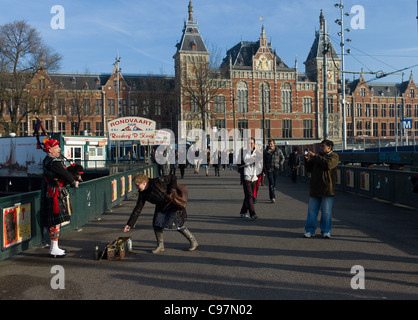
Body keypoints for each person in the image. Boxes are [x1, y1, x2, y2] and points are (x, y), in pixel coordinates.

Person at [123, 173, 198, 253]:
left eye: (137, 185)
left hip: (172, 203)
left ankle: (193, 241)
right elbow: (138, 209)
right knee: (156, 224)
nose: (136, 187)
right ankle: (160, 245)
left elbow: (173, 177)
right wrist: (130, 224)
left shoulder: (157, 181)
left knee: (177, 225)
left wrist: (172, 190)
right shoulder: (142, 193)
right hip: (161, 206)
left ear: (144, 182)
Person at [42, 139, 80, 257]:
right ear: (51, 150)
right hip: (55, 193)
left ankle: (55, 247)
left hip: (54, 191)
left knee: (56, 222)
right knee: (55, 222)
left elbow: (64, 172)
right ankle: (53, 248)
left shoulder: (50, 160)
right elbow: (64, 173)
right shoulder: (53, 162)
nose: (59, 149)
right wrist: (73, 182)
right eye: (57, 147)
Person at [303, 139, 339, 239]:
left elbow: (328, 165)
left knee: (326, 212)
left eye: (323, 146)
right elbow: (309, 169)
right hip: (315, 188)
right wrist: (307, 159)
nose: (321, 148)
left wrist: (315, 156)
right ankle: (310, 230)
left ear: (329, 148)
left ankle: (326, 230)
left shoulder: (334, 156)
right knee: (312, 211)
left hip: (327, 189)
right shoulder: (317, 157)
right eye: (321, 146)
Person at [239, 137, 263, 220]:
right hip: (246, 175)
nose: (250, 145)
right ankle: (253, 213)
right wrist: (250, 160)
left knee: (248, 195)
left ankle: (243, 212)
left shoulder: (257, 152)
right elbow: (240, 163)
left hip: (254, 176)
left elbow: (263, 159)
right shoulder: (243, 152)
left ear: (254, 144)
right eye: (249, 143)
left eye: (252, 143)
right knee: (249, 196)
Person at [263, 139, 285, 203]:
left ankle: (272, 193)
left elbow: (282, 158)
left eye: (271, 144)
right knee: (271, 182)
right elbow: (263, 160)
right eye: (269, 144)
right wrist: (264, 169)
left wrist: (280, 164)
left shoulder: (278, 150)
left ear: (274, 144)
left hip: (276, 169)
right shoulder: (265, 151)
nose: (270, 145)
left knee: (274, 183)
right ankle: (272, 197)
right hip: (269, 169)